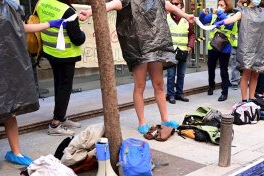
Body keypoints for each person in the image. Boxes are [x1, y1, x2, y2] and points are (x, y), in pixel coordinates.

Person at [79, 0, 195, 133]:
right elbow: (107, 6)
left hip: (155, 47)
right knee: (140, 86)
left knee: (159, 84)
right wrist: (89, 12)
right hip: (137, 49)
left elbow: (171, 7)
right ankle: (142, 122)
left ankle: (165, 119)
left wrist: (186, 16)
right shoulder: (126, 1)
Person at [0, 0, 66, 175]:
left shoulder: (10, 6)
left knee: (10, 111)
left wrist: (50, 24)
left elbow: (23, 28)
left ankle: (15, 152)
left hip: (9, 63)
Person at [37, 0, 86, 136]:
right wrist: (83, 33)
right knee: (64, 88)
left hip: (50, 51)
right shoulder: (68, 11)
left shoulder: (43, 3)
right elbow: (78, 39)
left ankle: (61, 117)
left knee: (59, 85)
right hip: (65, 55)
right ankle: (56, 124)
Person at [200, 0, 235, 102]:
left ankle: (224, 92)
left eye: (221, 5)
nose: (219, 7)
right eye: (218, 5)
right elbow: (202, 21)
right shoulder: (214, 16)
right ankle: (211, 86)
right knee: (211, 68)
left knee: (223, 70)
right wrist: (203, 13)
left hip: (225, 47)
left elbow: (229, 25)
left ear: (227, 6)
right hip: (213, 47)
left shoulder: (232, 16)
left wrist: (219, 12)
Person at [166, 0, 195, 104]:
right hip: (171, 51)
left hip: (183, 51)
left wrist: (190, 46)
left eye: (177, 3)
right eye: (172, 4)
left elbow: (191, 34)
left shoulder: (186, 19)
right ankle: (170, 95)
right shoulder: (166, 18)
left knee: (181, 74)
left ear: (182, 5)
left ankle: (179, 94)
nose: (174, 6)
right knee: (171, 74)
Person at [229, 0, 243, 90]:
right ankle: (234, 81)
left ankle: (243, 80)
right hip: (236, 43)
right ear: (238, 3)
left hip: (247, 43)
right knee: (235, 63)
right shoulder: (234, 13)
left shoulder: (250, 12)